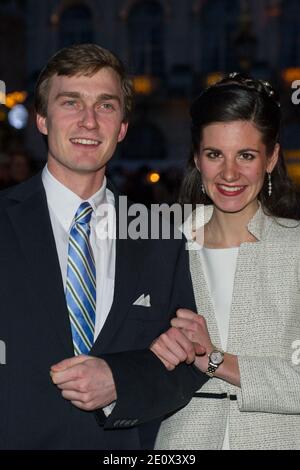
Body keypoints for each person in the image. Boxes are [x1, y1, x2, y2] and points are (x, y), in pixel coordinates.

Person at [0, 43, 208, 450]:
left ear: (123, 127)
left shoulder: (160, 234)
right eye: (71, 102)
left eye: (106, 106)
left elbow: (188, 364)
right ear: (41, 119)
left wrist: (120, 383)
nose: (89, 121)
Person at [151, 73, 300, 450]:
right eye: (215, 154)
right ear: (197, 159)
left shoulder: (295, 248)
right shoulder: (163, 246)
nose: (229, 173)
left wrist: (214, 359)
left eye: (246, 155)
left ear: (272, 158)